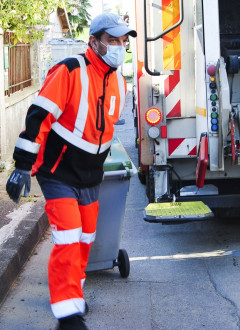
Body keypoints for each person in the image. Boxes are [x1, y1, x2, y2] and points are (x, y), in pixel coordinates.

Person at [6, 13, 137, 330]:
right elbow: (39, 117)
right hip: (58, 173)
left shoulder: (118, 80)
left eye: (123, 41)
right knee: (67, 237)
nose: (120, 47)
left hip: (90, 177)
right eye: (112, 40)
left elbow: (101, 131)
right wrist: (22, 166)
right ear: (94, 41)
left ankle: (71, 295)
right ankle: (68, 315)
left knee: (84, 239)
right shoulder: (69, 70)